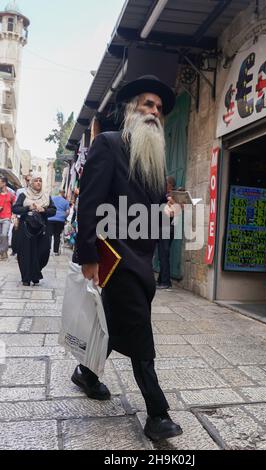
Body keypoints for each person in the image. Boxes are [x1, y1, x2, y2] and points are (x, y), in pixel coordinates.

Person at [73, 75, 183, 441]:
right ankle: (157, 413)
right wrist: (88, 255)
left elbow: (146, 216)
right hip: (113, 257)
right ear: (130, 109)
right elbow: (89, 203)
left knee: (115, 322)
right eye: (147, 104)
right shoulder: (107, 144)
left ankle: (86, 374)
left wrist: (164, 214)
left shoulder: (154, 161)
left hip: (140, 261)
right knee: (138, 329)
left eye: (159, 108)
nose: (154, 111)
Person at [13, 174, 56, 286]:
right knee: (25, 253)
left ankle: (35, 273)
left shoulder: (46, 196)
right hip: (26, 228)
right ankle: (27, 278)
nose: (38, 183)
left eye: (40, 181)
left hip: (42, 228)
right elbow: (16, 208)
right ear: (31, 183)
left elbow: (53, 211)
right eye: (36, 181)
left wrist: (44, 210)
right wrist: (28, 208)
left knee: (43, 252)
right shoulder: (24, 195)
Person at [157, 176, 176, 289]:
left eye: (165, 184)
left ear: (169, 185)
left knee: (164, 255)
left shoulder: (171, 196)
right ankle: (161, 280)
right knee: (162, 255)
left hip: (167, 228)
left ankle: (165, 282)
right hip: (164, 228)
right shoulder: (166, 196)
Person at [48, 190, 70, 255]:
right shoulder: (66, 202)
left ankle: (47, 249)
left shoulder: (52, 198)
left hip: (50, 218)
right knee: (57, 235)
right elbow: (67, 212)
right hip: (60, 220)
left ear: (59, 192)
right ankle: (56, 251)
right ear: (63, 194)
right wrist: (64, 217)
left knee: (49, 235)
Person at [0, 176, 16, 261]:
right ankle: (3, 253)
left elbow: (15, 205)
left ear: (4, 183)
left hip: (6, 217)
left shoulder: (11, 195)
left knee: (4, 235)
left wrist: (14, 214)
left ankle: (3, 251)